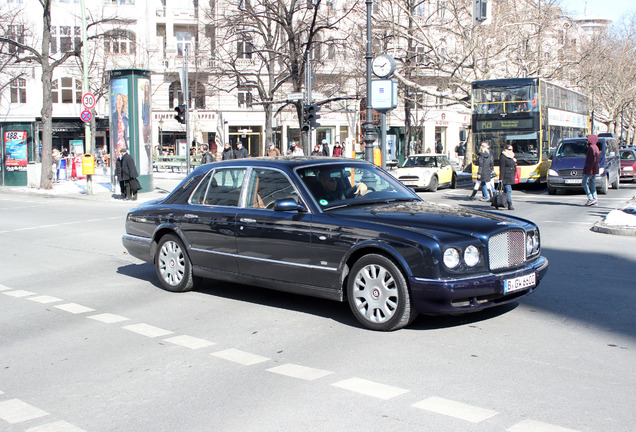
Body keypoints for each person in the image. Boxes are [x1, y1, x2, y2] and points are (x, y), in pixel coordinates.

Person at [582, 134, 600, 206]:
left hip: (590, 169)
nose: (587, 141)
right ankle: (595, 199)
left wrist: (587, 170)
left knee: (584, 183)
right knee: (592, 183)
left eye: (588, 139)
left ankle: (590, 198)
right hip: (594, 169)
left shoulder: (591, 148)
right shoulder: (596, 147)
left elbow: (591, 160)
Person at [498, 144, 517, 210]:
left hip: (510, 175)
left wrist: (514, 161)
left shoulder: (511, 156)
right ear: (505, 149)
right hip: (506, 175)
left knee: (506, 190)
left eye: (511, 149)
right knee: (508, 189)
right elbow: (502, 168)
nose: (511, 150)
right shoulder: (503, 157)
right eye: (509, 149)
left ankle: (504, 202)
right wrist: (501, 178)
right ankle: (509, 203)